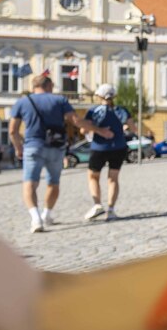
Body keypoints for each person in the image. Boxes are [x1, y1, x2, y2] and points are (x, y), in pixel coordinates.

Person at [9, 73, 112, 233]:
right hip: (56, 147)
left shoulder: (22, 102)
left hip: (33, 146)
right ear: (49, 85)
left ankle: (36, 218)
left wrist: (18, 148)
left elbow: (12, 131)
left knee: (30, 183)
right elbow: (76, 121)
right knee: (53, 182)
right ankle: (46, 214)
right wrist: (99, 130)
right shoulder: (59, 100)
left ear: (34, 86)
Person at [83, 83, 131, 221]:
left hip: (99, 147)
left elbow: (83, 129)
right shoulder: (122, 111)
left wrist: (98, 130)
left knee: (93, 177)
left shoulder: (94, 111)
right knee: (113, 179)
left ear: (99, 96)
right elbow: (133, 128)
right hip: (119, 147)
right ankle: (111, 210)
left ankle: (97, 204)